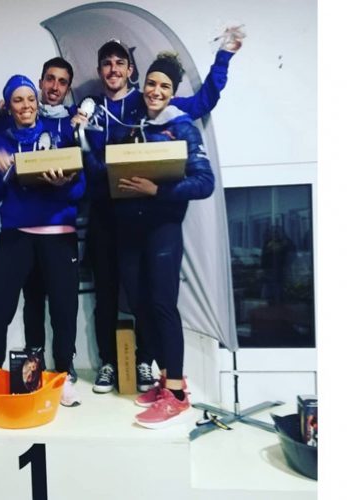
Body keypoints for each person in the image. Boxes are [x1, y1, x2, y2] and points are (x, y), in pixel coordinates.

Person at [73, 30, 243, 395]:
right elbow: (94, 163)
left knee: (157, 301)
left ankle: (155, 369)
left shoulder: (154, 106)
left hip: (152, 216)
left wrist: (223, 58)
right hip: (108, 216)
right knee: (116, 296)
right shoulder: (89, 107)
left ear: (131, 70)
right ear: (100, 70)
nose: (113, 69)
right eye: (107, 63)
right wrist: (81, 138)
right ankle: (114, 364)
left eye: (120, 63)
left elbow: (204, 101)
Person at [106, 52, 216, 428]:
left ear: (173, 92)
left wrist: (158, 190)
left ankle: (177, 394)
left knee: (162, 305)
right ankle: (166, 377)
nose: (156, 91)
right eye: (151, 83)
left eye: (164, 86)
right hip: (130, 229)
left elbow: (204, 183)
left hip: (163, 229)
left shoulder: (182, 126)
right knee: (140, 305)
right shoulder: (134, 120)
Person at [0, 75, 85, 408]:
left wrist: (64, 184)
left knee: (64, 311)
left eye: (29, 99)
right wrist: (3, 172)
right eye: (17, 100)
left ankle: (63, 378)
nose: (25, 106)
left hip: (59, 234)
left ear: (37, 103)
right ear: (9, 106)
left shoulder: (60, 134)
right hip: (17, 235)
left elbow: (81, 188)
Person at [20, 57, 80, 383]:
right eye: (50, 79)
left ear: (68, 88)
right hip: (27, 229)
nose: (55, 87)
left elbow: (84, 179)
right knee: (33, 301)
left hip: (61, 227)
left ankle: (64, 367)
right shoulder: (22, 116)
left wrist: (66, 184)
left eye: (62, 82)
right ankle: (34, 368)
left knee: (64, 304)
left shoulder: (75, 124)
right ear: (41, 81)